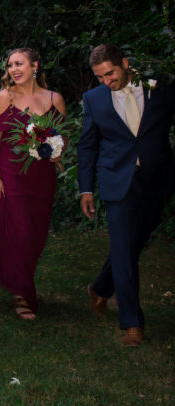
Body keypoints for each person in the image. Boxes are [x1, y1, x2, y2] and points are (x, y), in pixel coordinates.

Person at [78, 44, 175, 347]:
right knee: (122, 247)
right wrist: (86, 188)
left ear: (125, 63)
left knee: (133, 244)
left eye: (110, 73)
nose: (107, 81)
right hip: (116, 181)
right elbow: (88, 145)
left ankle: (99, 287)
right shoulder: (94, 99)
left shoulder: (160, 86)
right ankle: (132, 322)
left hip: (155, 179)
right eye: (100, 77)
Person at [0, 48, 66, 320]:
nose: (13, 70)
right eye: (10, 65)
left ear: (35, 65)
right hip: (12, 174)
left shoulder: (55, 99)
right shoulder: (5, 97)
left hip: (42, 176)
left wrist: (56, 150)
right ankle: (22, 294)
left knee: (35, 234)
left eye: (19, 64)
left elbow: (62, 137)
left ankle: (20, 279)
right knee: (19, 231)